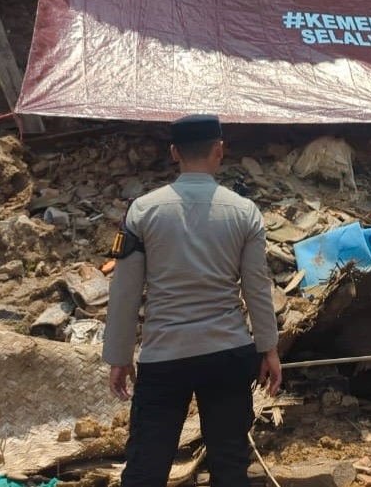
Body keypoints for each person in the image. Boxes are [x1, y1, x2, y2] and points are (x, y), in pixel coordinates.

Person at [103, 114, 281, 487]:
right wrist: (268, 348)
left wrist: (119, 355)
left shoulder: (143, 211)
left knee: (146, 468)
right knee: (230, 467)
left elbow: (125, 290)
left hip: (163, 356)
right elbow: (257, 288)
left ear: (173, 153)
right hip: (228, 353)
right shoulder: (244, 212)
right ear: (220, 150)